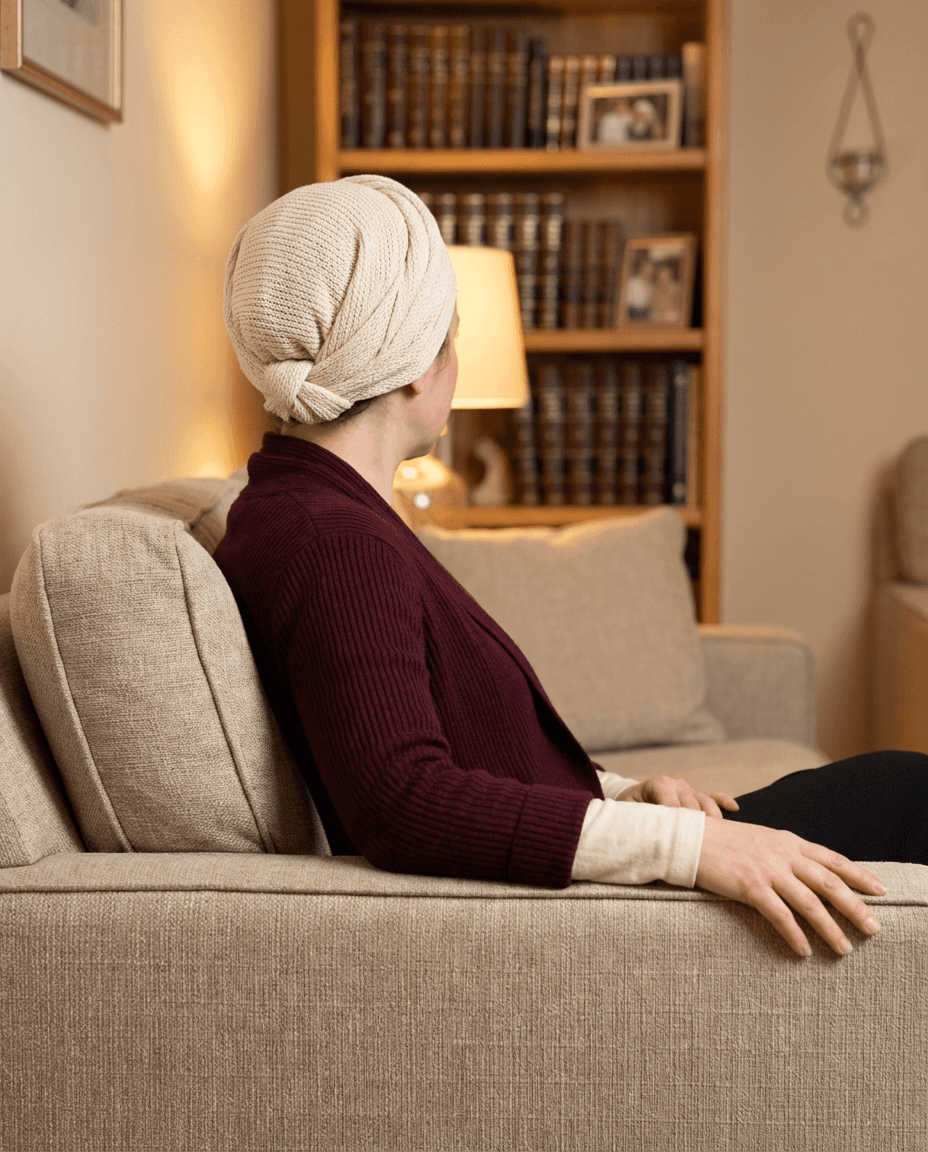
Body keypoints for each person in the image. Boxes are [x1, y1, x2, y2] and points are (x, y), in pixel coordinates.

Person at [215, 176, 926, 962]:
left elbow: (469, 755)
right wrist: (687, 849)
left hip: (594, 852)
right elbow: (402, 800)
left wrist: (628, 797)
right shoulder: (330, 539)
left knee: (902, 790)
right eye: (452, 333)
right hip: (599, 913)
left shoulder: (314, 510)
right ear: (417, 363)